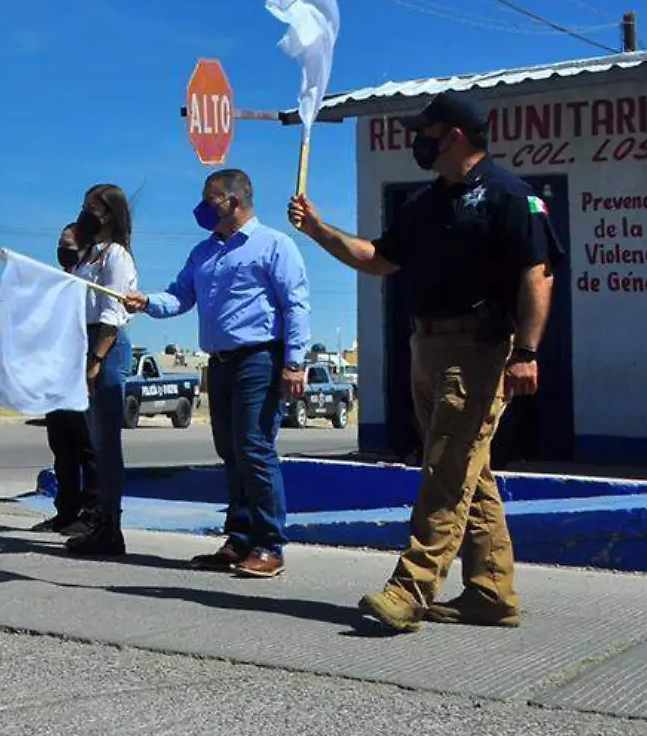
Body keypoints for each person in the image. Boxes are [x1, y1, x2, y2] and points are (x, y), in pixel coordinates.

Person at [289, 91, 558, 633]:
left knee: (446, 469)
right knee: (469, 471)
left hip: (479, 350)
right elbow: (380, 259)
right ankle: (490, 592)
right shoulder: (426, 205)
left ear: (454, 135)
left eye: (426, 131)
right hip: (426, 347)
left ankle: (410, 590)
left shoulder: (511, 197)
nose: (419, 139)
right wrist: (319, 230)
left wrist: (527, 352)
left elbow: (539, 273)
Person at [124, 169, 310, 579]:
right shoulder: (203, 253)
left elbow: (295, 306)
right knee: (230, 451)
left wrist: (295, 363)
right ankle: (239, 537)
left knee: (254, 448)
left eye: (211, 200)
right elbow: (179, 296)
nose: (203, 207)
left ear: (235, 202)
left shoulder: (274, 245)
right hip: (220, 363)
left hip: (260, 359)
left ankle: (269, 544)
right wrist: (146, 302)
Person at [0, 226, 99, 535]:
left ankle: (93, 514)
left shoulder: (88, 278)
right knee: (62, 446)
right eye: (60, 244)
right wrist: (6, 308)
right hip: (56, 372)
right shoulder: (54, 279)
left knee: (87, 445)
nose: (62, 249)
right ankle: (66, 511)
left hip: (79, 368)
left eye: (68, 245)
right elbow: (37, 319)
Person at [65, 185, 138, 558]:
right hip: (86, 340)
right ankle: (100, 521)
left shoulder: (117, 256)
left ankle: (111, 527)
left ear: (107, 213)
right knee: (95, 439)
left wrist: (96, 361)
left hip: (105, 345)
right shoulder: (90, 256)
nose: (84, 215)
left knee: (107, 444)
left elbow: (112, 312)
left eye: (90, 208)